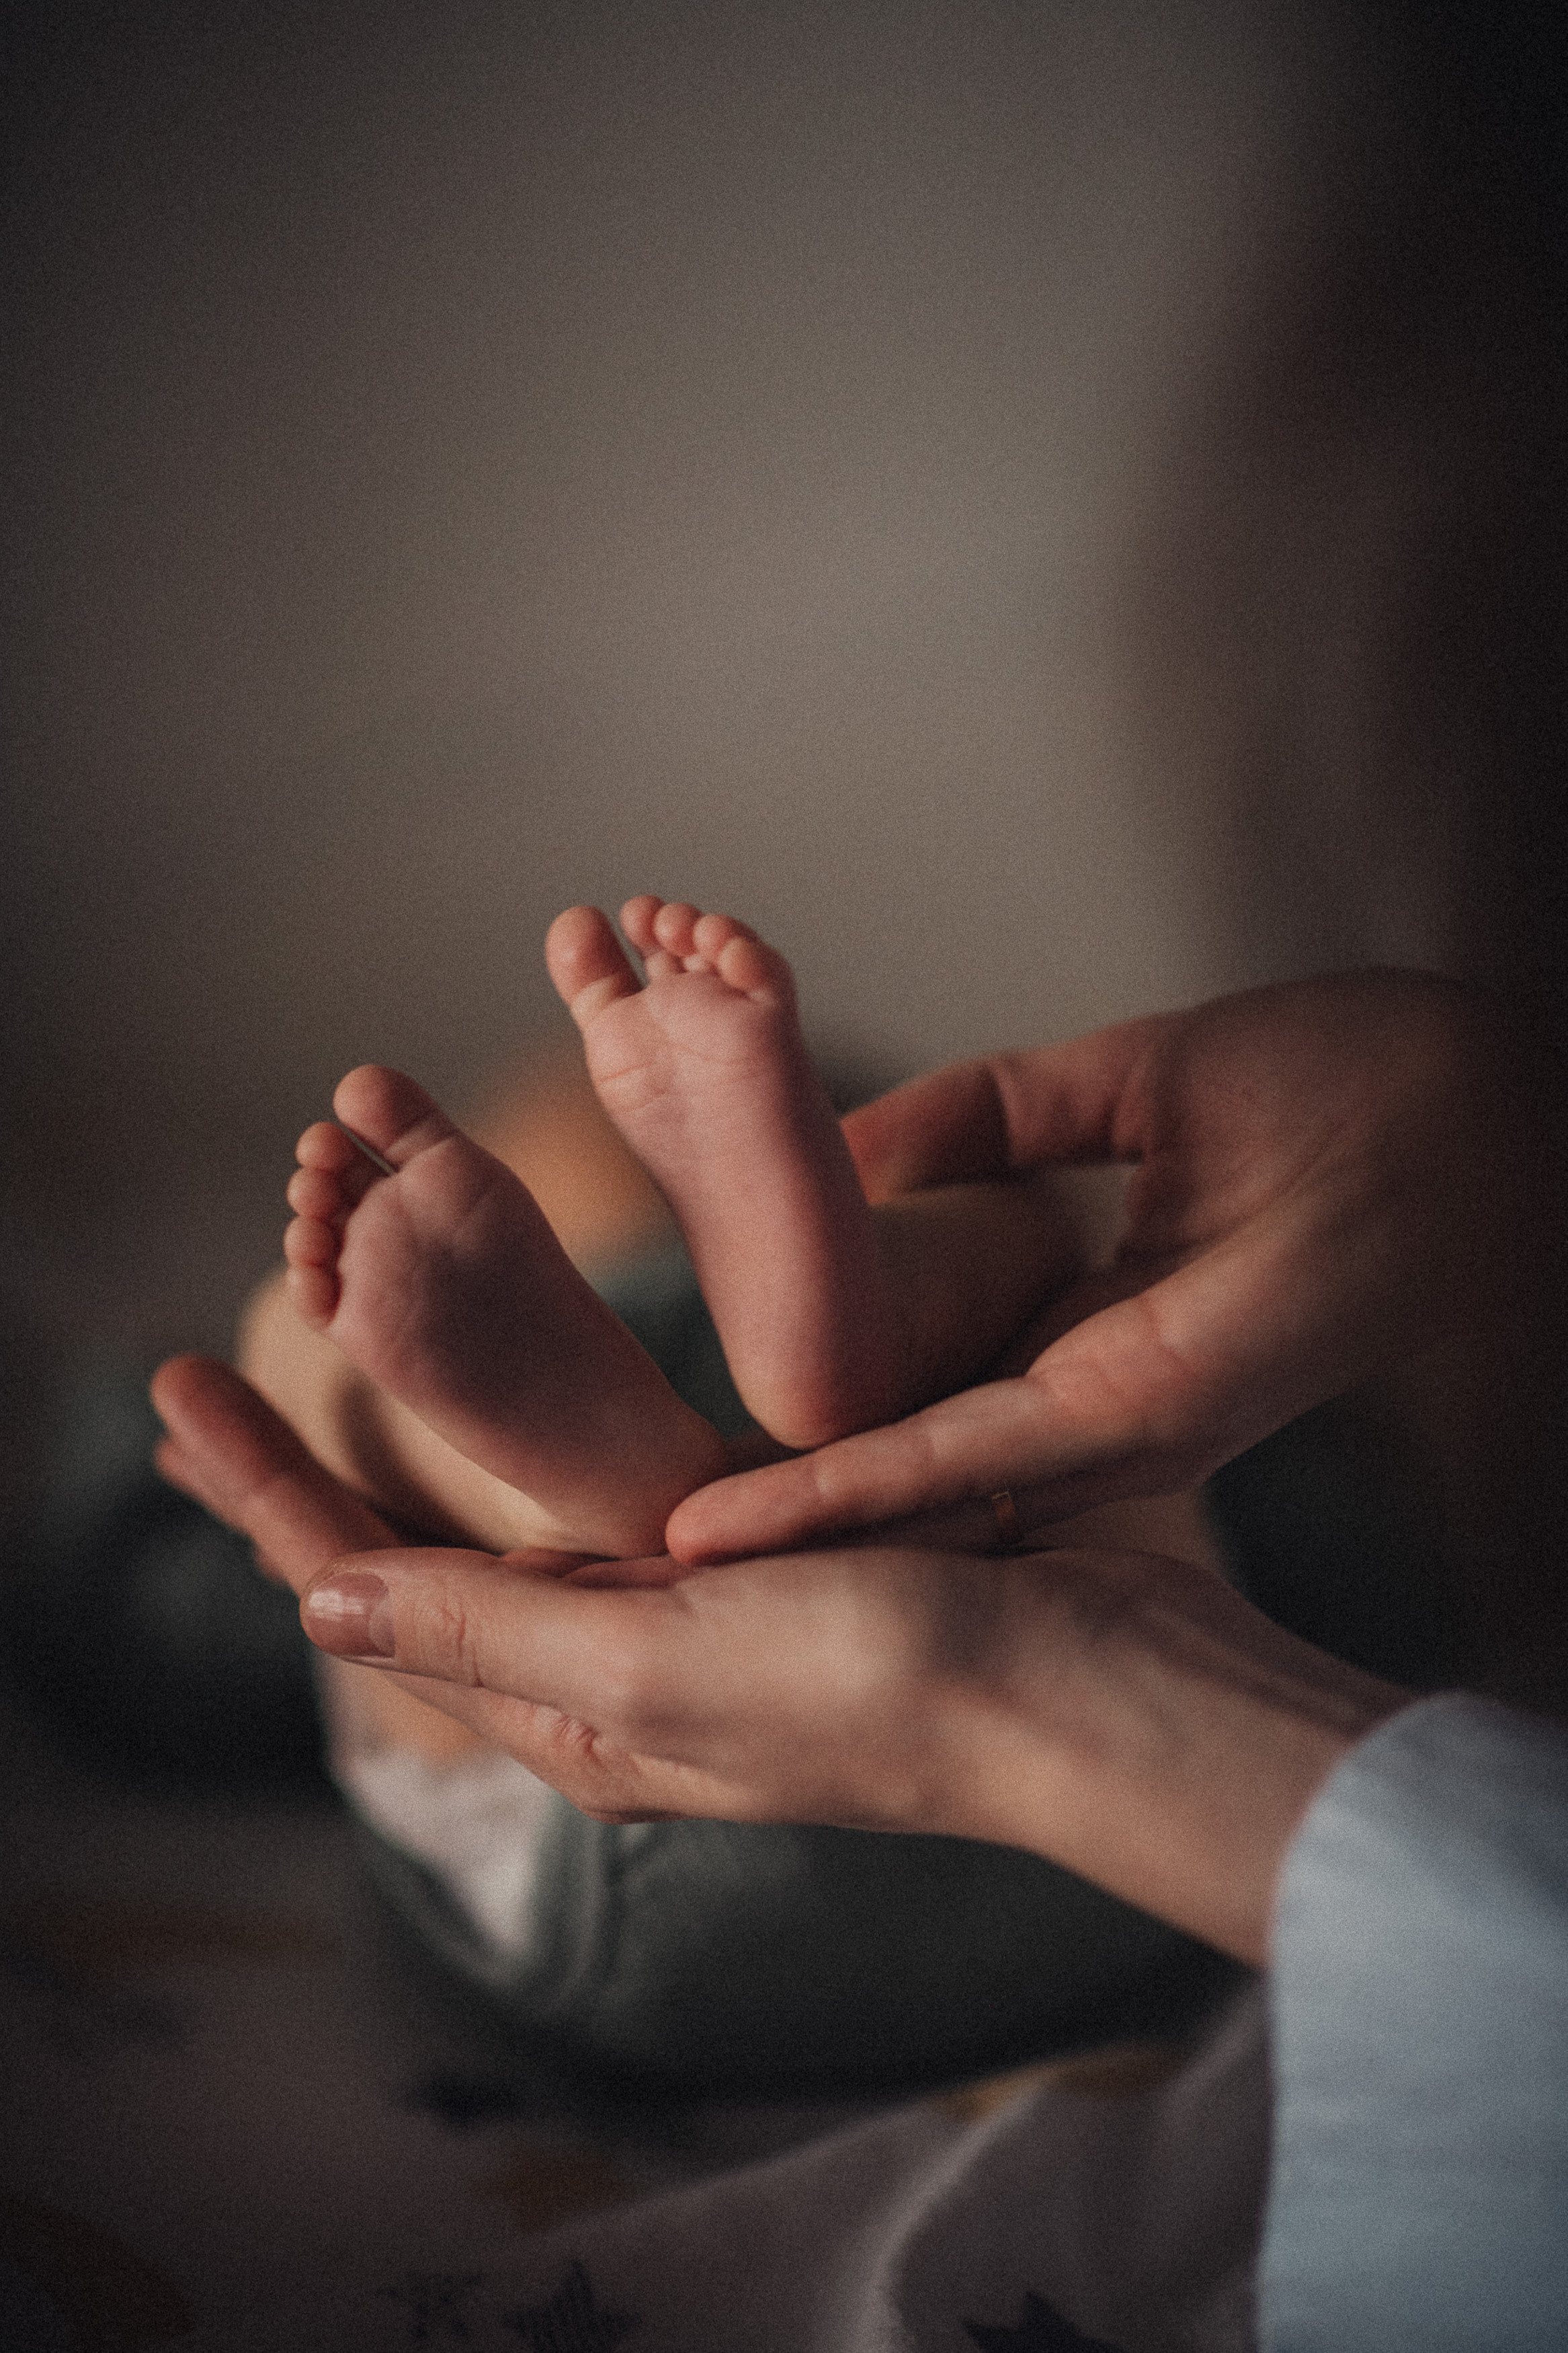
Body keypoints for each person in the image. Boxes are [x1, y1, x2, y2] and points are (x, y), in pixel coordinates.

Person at [151, 962, 1568, 2346]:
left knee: (308, 1360)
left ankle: (590, 1497)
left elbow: (155, 1629)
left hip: (644, 1838)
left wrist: (213, 1542)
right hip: (1174, 1848)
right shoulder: (1138, 1392)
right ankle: (842, 1347)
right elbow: (1381, 1571)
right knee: (1040, 1277)